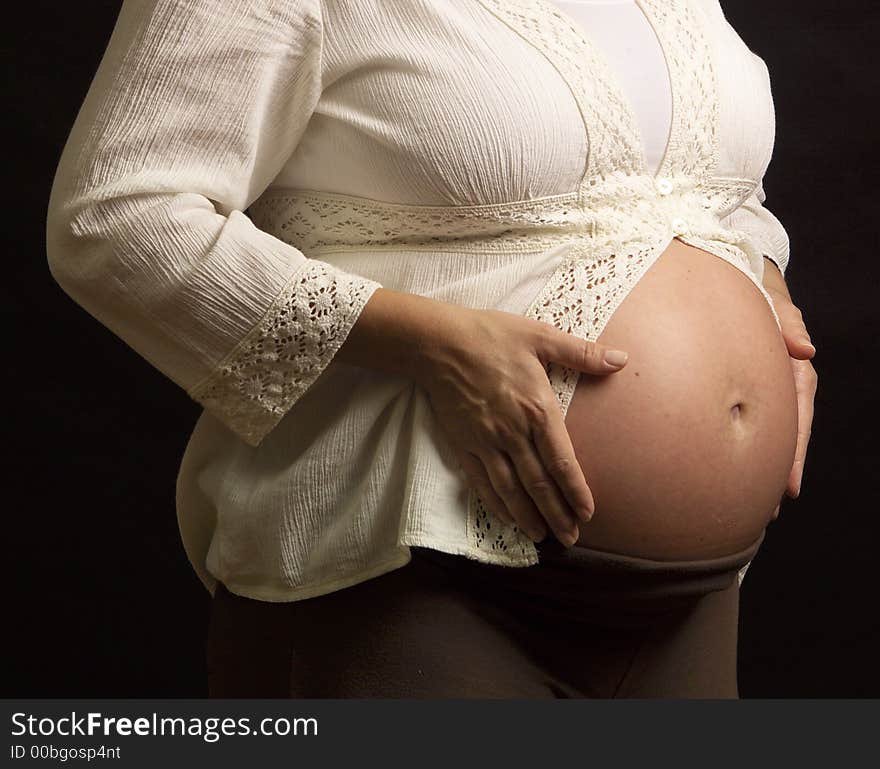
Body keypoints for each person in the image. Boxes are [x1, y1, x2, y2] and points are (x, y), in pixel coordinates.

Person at [46, 0, 817, 698]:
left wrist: (764, 290)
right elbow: (117, 215)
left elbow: (704, 184)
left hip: (695, 601)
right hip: (417, 575)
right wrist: (434, 344)